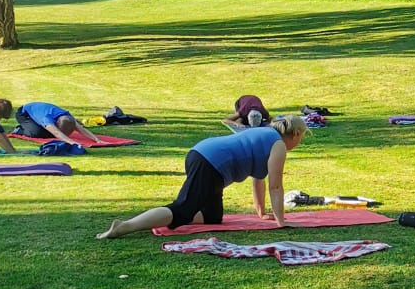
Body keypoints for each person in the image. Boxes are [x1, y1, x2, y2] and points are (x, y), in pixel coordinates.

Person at [96, 115, 308, 240]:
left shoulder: (265, 134)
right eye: (302, 138)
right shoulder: (278, 145)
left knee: (213, 216)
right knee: (183, 209)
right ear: (296, 135)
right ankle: (124, 226)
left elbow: (259, 180)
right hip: (210, 162)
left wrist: (262, 213)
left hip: (204, 155)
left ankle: (150, 219)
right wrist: (281, 221)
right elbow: (276, 187)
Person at [16, 100, 102, 146]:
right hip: (24, 114)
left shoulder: (68, 117)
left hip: (39, 112)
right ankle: (19, 130)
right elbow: (56, 132)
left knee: (49, 133)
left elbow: (81, 129)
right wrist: (72, 142)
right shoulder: (47, 118)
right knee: (38, 133)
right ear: (57, 123)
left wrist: (96, 140)